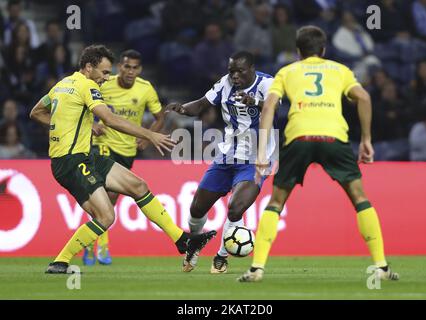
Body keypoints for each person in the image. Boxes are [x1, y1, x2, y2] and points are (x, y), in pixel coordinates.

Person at [29, 44, 216, 274]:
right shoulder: (88, 86)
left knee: (138, 186)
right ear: (89, 67)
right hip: (71, 161)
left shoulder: (62, 85)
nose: (107, 78)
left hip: (86, 156)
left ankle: (183, 241)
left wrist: (63, 126)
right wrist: (149, 134)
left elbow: (36, 112)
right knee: (106, 217)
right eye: (104, 72)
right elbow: (110, 119)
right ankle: (60, 261)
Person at [238, 26, 399, 282]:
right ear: (323, 50)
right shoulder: (340, 70)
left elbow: (269, 105)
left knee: (276, 202)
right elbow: (365, 97)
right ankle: (380, 266)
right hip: (333, 137)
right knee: (359, 198)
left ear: (299, 52)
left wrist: (261, 151)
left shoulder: (287, 71)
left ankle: (257, 268)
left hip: (299, 137)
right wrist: (366, 139)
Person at [166, 51, 276, 274]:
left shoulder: (267, 83)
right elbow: (201, 104)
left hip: (255, 159)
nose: (234, 76)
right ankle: (194, 245)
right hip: (226, 156)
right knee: (197, 209)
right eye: (231, 71)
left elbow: (274, 105)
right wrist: (184, 109)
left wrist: (255, 101)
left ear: (252, 69)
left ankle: (222, 256)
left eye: (240, 71)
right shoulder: (225, 84)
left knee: (235, 209)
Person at [81, 49, 165, 266]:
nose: (130, 71)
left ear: (140, 69)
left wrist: (146, 139)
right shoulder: (104, 83)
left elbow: (159, 116)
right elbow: (82, 106)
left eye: (135, 67)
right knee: (104, 194)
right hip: (103, 145)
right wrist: (92, 125)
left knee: (112, 199)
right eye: (126, 66)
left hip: (127, 150)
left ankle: (91, 243)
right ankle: (103, 248)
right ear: (120, 66)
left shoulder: (146, 89)